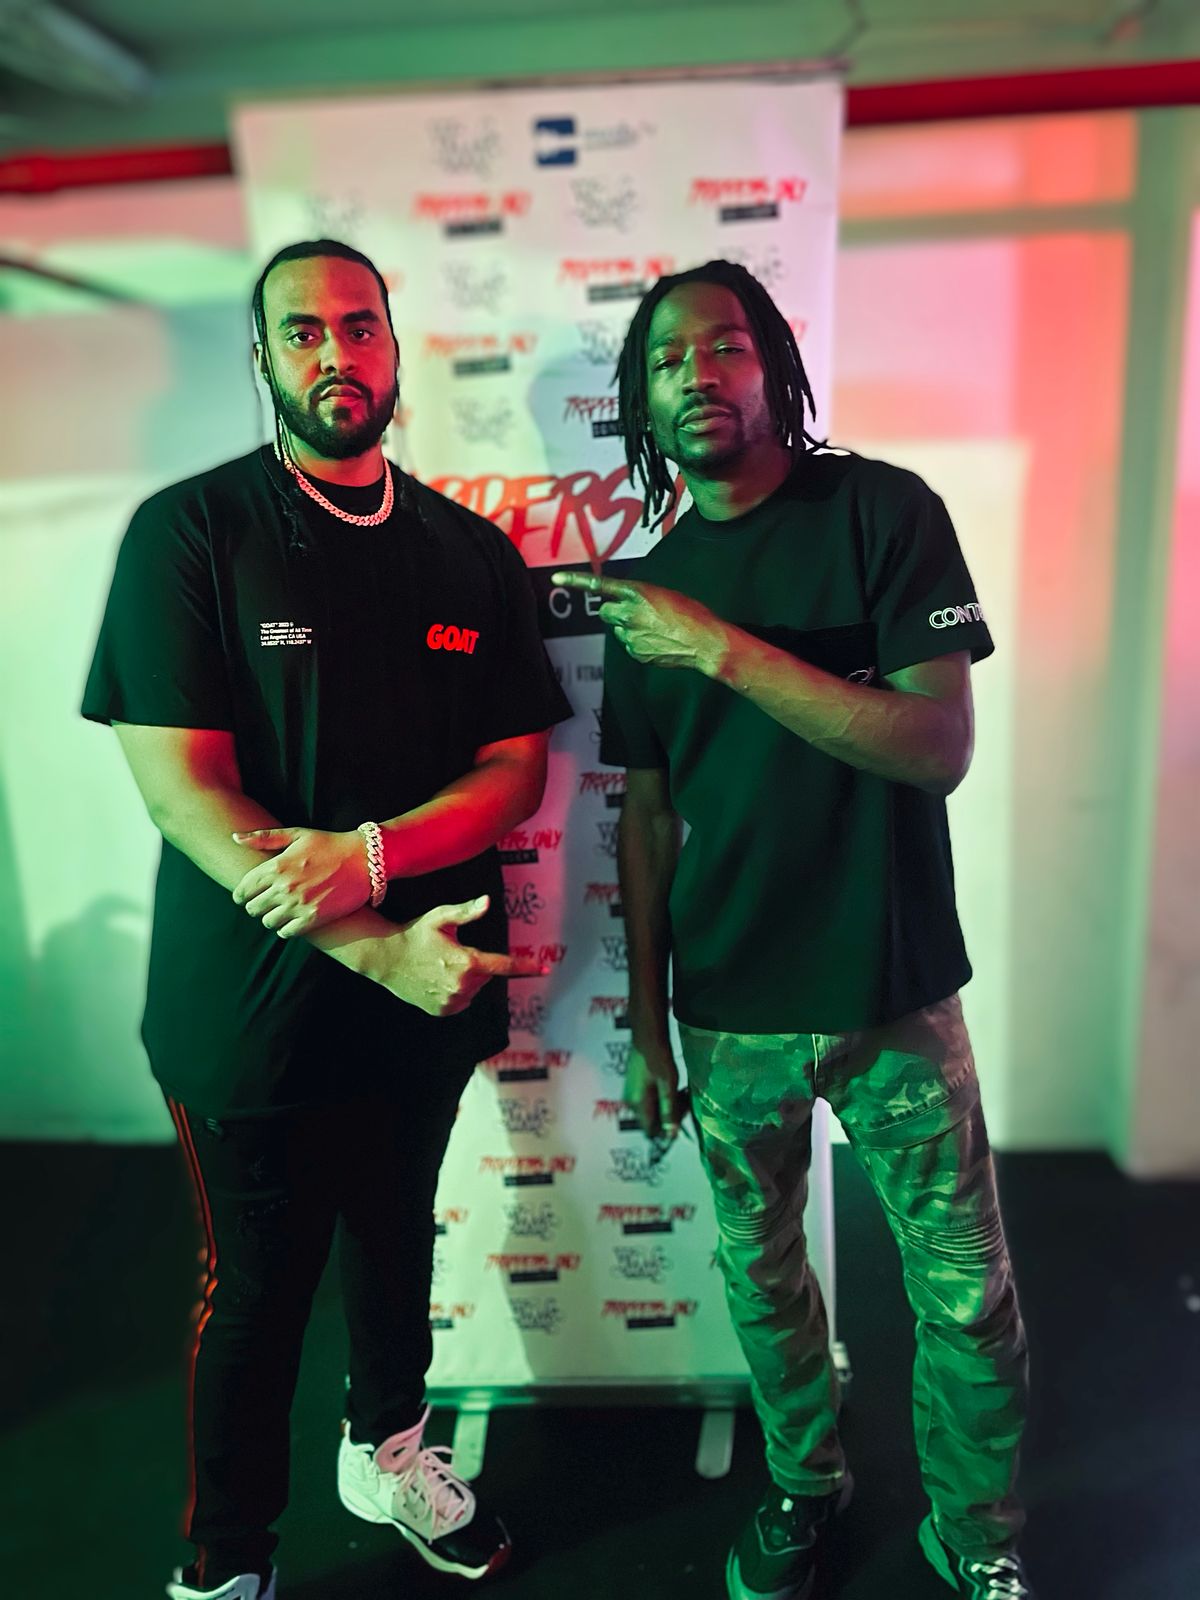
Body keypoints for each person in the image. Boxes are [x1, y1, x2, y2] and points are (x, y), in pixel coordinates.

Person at [82, 238, 572, 1600]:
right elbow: (184, 791)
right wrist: (372, 940)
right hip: (251, 1003)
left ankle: (388, 1449)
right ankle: (227, 1558)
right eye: (301, 332)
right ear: (264, 359)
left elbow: (514, 767)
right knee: (255, 1289)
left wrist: (374, 857)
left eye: (359, 327)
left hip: (430, 985)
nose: (334, 354)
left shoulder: (468, 552)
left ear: (394, 350)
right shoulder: (191, 532)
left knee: (396, 1240)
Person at [552, 259, 1034, 1600]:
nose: (695, 375)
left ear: (772, 365)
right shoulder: (650, 591)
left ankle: (978, 1534)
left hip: (893, 992)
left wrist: (721, 649)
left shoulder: (882, 512)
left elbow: (936, 746)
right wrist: (649, 1027)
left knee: (963, 1293)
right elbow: (648, 821)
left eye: (722, 346)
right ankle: (805, 1485)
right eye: (664, 361)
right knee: (762, 1283)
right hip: (728, 1010)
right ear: (641, 404)